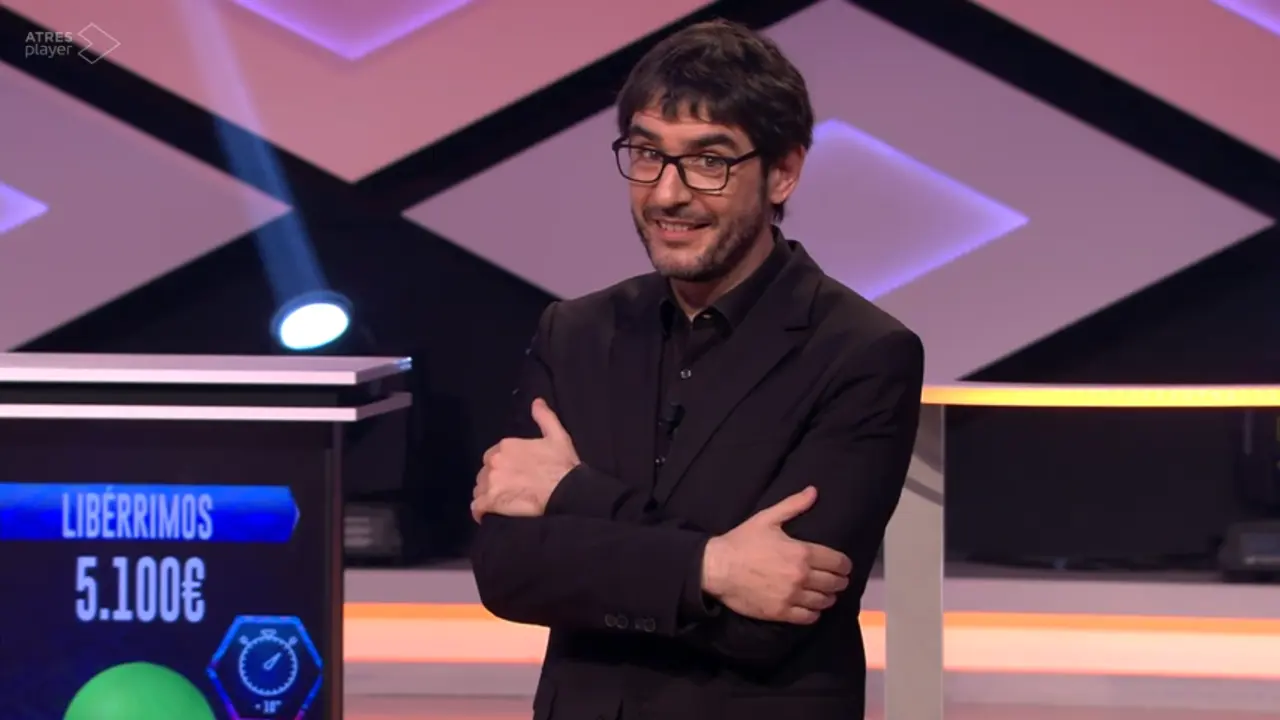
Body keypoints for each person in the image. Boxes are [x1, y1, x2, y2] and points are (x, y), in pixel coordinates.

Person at [469, 19, 924, 720]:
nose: (666, 194)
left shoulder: (863, 352)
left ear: (783, 172)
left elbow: (772, 614)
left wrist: (573, 496)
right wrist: (714, 566)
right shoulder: (575, 333)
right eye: (647, 154)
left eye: (709, 161)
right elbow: (510, 572)